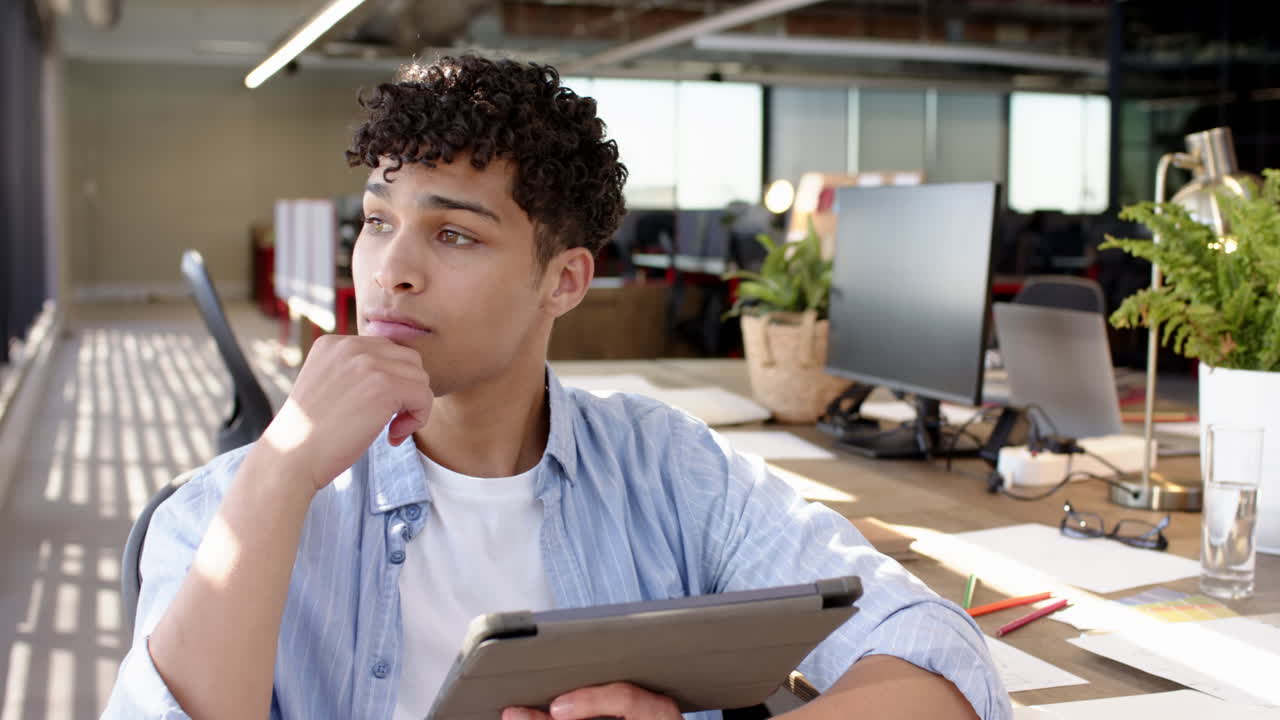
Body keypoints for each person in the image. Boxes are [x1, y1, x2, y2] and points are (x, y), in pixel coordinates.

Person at [102, 55, 1010, 720]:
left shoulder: (669, 471)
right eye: (378, 222)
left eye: (453, 234)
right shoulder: (231, 506)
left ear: (565, 281)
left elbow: (940, 654)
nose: (392, 272)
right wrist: (280, 473)